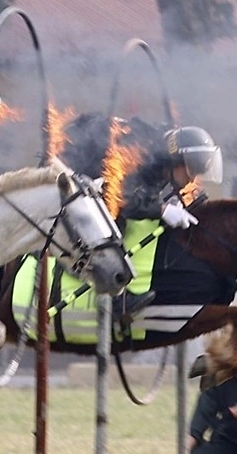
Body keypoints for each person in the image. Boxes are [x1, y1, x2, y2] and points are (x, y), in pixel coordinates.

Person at [64, 115, 224, 319]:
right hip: (73, 169)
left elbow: (144, 191)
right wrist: (161, 209)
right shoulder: (139, 154)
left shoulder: (159, 156)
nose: (193, 179)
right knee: (112, 221)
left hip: (91, 175)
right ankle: (114, 301)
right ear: (175, 160)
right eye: (192, 170)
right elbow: (120, 197)